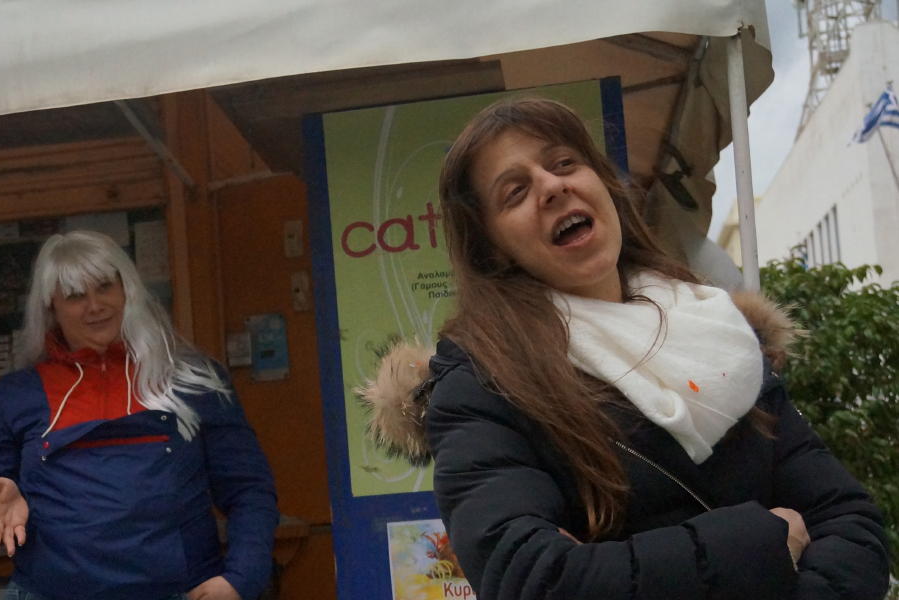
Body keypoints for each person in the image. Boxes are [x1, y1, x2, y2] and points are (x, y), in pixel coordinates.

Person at [361, 98, 889, 599]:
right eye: (515, 192)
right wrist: (762, 544)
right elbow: (533, 578)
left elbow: (851, 524)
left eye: (564, 163)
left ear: (606, 187)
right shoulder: (482, 385)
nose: (551, 186)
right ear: (492, 249)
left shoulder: (719, 331)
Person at [0, 230, 279, 600]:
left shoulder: (193, 381)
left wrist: (240, 579)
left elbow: (248, 490)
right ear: (51, 308)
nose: (95, 306)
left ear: (128, 290)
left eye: (105, 287)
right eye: (75, 295)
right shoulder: (19, 394)